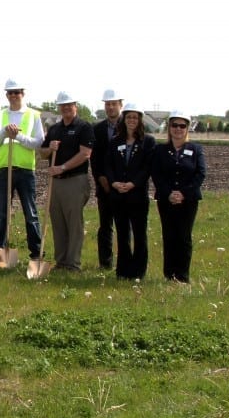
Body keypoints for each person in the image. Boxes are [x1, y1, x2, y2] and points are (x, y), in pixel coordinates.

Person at [0, 79, 45, 263]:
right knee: (1, 213)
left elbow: (39, 142)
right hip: (5, 169)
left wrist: (18, 136)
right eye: (10, 92)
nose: (14, 95)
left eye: (17, 92)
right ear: (6, 95)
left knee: (30, 212)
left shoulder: (33, 115)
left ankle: (37, 252)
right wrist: (5, 132)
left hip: (26, 169)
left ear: (23, 93)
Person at [150, 110, 207, 283]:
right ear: (169, 128)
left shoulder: (195, 149)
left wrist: (183, 193)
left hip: (188, 201)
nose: (178, 129)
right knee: (169, 236)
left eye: (182, 125)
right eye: (174, 125)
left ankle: (182, 276)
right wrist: (169, 193)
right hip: (166, 200)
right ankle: (169, 274)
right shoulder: (160, 150)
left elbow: (200, 173)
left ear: (187, 128)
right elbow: (156, 173)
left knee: (184, 237)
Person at [41, 91, 95, 271]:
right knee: (58, 222)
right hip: (55, 182)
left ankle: (73, 264)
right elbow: (42, 153)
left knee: (74, 224)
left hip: (75, 180)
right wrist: (50, 147)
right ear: (59, 107)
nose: (66, 108)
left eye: (69, 105)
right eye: (62, 105)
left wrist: (62, 167)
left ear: (75, 106)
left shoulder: (83, 127)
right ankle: (61, 261)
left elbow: (85, 154)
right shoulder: (55, 129)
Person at [104, 102, 156, 280]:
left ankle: (138, 271)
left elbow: (148, 167)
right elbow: (108, 166)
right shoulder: (115, 141)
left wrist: (133, 183)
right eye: (128, 117)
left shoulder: (148, 141)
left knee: (140, 235)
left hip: (137, 196)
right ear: (123, 119)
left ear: (140, 120)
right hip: (118, 196)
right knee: (122, 234)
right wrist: (114, 183)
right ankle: (123, 271)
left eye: (135, 117)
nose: (131, 120)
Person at [92, 89, 124, 270]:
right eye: (107, 104)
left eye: (113, 104)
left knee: (123, 226)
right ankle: (105, 263)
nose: (110, 107)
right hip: (104, 186)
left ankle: (124, 261)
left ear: (120, 104)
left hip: (124, 185)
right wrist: (100, 178)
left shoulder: (129, 126)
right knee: (105, 226)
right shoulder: (97, 129)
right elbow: (94, 158)